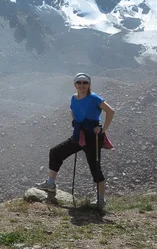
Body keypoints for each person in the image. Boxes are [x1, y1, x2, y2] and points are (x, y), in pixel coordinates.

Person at [38, 73, 115, 209]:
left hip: (92, 135)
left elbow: (110, 111)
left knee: (94, 166)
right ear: (75, 84)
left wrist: (102, 129)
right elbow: (73, 110)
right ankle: (51, 183)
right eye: (79, 82)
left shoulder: (94, 98)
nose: (82, 85)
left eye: (85, 82)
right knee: (56, 152)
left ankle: (101, 201)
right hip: (79, 134)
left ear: (89, 84)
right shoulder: (74, 98)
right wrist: (75, 121)